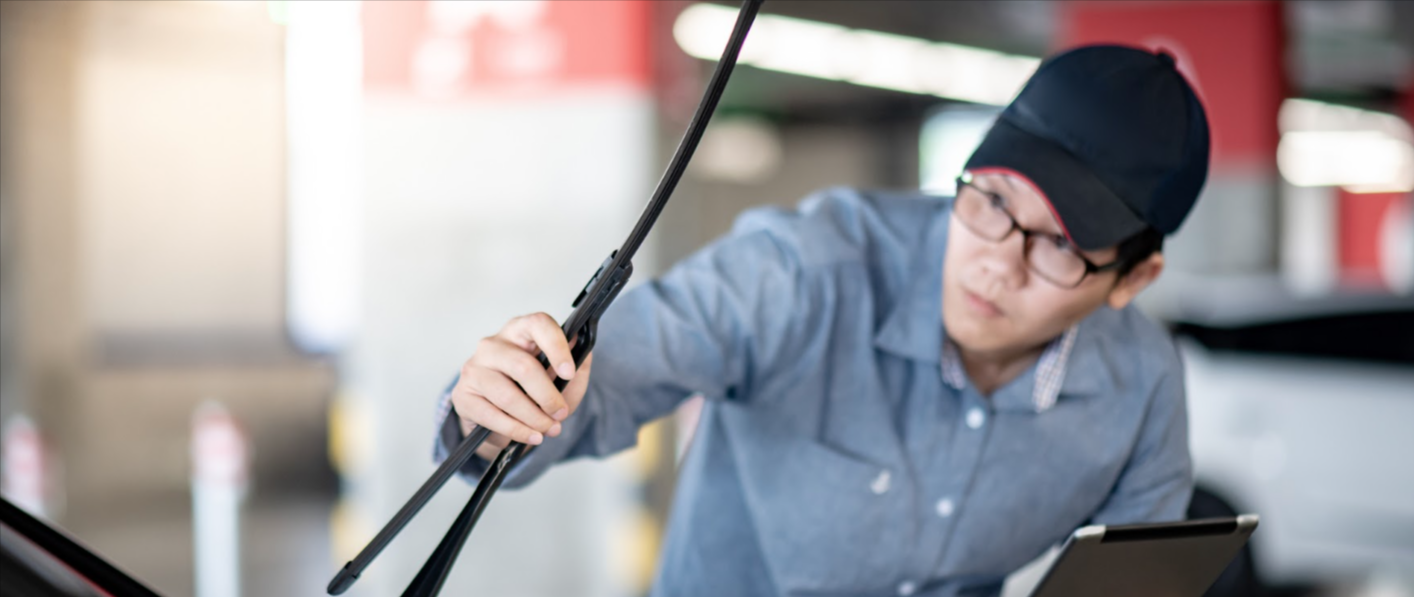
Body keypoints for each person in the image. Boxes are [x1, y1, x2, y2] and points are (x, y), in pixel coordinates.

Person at [434, 44, 1210, 597]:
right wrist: (505, 408)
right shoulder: (804, 271)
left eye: (1058, 247)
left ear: (1133, 278)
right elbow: (614, 373)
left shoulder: (1141, 387)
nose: (995, 263)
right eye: (991, 202)